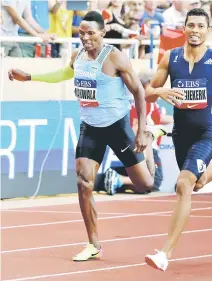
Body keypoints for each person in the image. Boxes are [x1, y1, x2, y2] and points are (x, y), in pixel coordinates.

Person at [8, 11, 166, 261]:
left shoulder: (115, 57)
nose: (85, 37)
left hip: (117, 126)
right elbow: (63, 74)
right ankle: (93, 243)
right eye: (81, 33)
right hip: (90, 127)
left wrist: (143, 129)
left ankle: (153, 139)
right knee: (83, 182)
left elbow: (138, 89)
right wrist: (29, 76)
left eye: (90, 33)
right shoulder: (78, 56)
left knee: (145, 184)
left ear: (102, 32)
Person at [143, 8, 212, 271]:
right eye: (191, 25)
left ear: (208, 30)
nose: (195, 30)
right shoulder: (170, 57)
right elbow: (148, 93)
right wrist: (160, 90)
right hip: (180, 135)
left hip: (206, 133)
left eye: (201, 26)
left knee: (183, 185)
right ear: (184, 28)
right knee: (196, 184)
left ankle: (164, 253)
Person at [103, 69, 173, 195]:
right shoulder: (144, 100)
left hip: (147, 144)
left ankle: (118, 180)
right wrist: (141, 148)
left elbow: (158, 118)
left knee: (149, 182)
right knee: (154, 181)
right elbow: (136, 125)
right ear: (149, 83)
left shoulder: (150, 101)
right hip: (146, 145)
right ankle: (119, 179)